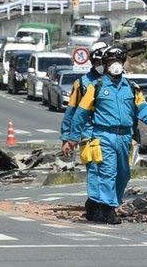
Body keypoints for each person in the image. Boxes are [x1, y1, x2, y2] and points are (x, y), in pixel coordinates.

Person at [69, 45, 147, 224]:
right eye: (111, 62)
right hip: (103, 136)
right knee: (107, 172)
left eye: (118, 61)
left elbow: (142, 107)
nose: (115, 65)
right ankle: (109, 209)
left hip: (125, 137)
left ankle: (104, 204)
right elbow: (81, 113)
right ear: (105, 64)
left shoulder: (132, 88)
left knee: (123, 174)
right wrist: (73, 136)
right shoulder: (97, 87)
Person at [60, 41, 107, 221]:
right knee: (95, 170)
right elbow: (72, 111)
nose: (102, 66)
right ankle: (95, 205)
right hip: (89, 135)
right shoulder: (82, 83)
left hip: (111, 135)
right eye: (99, 62)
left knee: (113, 172)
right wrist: (67, 138)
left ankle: (107, 204)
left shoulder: (119, 81)